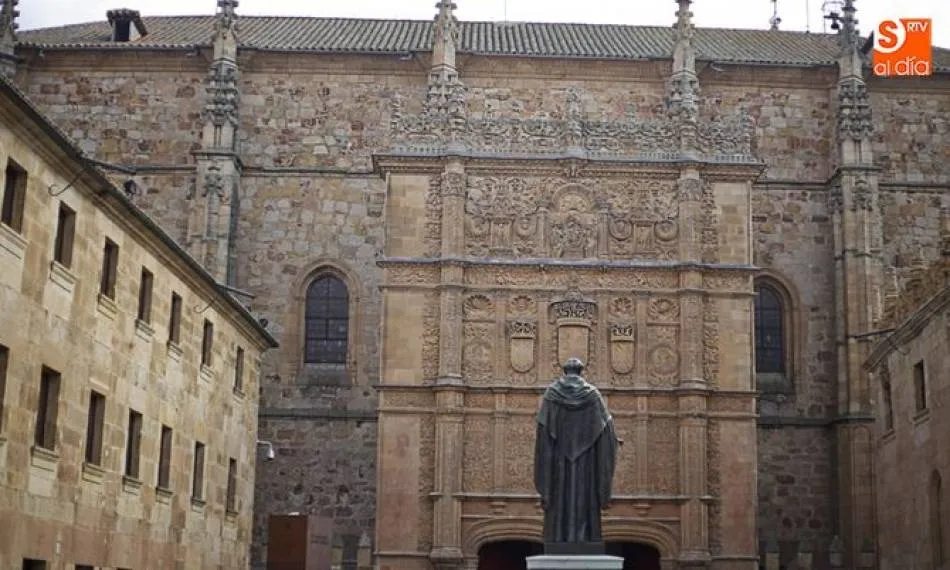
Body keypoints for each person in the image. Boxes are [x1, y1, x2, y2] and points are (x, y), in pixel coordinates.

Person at [534, 358, 619, 554]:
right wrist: (612, 440)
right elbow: (606, 427)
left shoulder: (551, 394)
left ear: (565, 371)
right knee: (585, 498)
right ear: (581, 372)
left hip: (558, 462)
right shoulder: (593, 395)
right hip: (587, 463)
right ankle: (584, 536)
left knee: (561, 498)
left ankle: (559, 537)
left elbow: (543, 431)